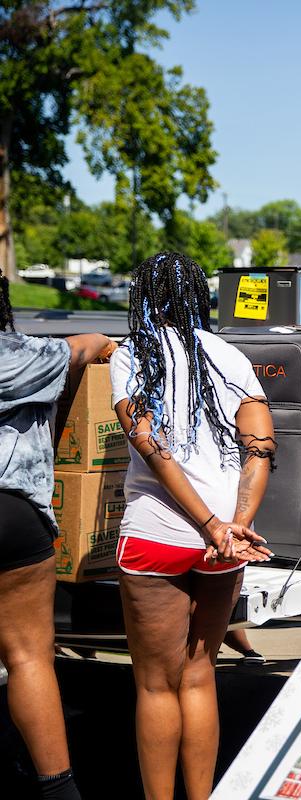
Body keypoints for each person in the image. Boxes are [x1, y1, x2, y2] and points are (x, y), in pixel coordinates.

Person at [111, 252, 276, 800]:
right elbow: (260, 451)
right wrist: (234, 526)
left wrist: (208, 523)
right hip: (225, 544)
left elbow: (151, 448)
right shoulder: (231, 356)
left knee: (157, 686)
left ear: (143, 298)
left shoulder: (135, 354)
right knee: (201, 675)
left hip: (158, 535)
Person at [0, 275, 115, 799]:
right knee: (28, 656)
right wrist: (106, 344)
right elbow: (85, 346)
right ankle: (58, 789)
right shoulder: (26, 356)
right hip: (14, 514)